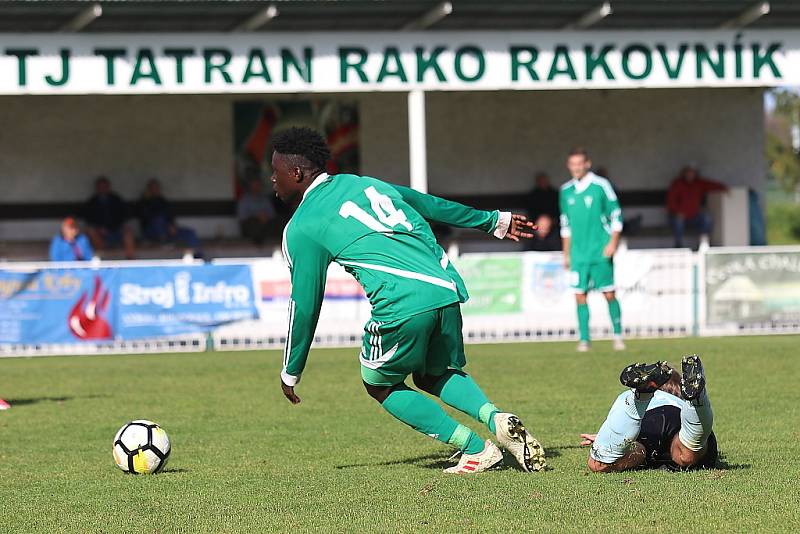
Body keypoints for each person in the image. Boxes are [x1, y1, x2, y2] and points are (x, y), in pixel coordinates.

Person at [274, 127, 545, 474]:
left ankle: (476, 449)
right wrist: (492, 221)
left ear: (296, 173)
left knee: (380, 382)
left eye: (276, 171)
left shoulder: (301, 227)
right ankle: (495, 418)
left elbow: (305, 305)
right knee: (436, 374)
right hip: (445, 288)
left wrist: (291, 370)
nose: (272, 179)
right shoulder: (364, 183)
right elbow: (428, 203)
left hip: (402, 302)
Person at [580, 355, 718, 472]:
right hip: (680, 417)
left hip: (649, 418)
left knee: (604, 462)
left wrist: (606, 439)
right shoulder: (677, 401)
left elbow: (625, 431)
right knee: (686, 455)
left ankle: (640, 396)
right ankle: (698, 403)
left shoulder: (656, 399)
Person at [560, 148, 624, 352]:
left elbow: (616, 214)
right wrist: (566, 253)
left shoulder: (601, 185)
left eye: (580, 163)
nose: (576, 168)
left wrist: (613, 242)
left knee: (609, 293)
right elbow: (565, 224)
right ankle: (584, 339)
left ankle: (617, 335)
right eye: (573, 164)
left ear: (587, 164)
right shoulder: (565, 191)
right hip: (578, 253)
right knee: (579, 295)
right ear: (569, 166)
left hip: (599, 250)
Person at [666, 165, 727, 248]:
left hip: (694, 217)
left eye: (692, 173)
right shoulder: (677, 184)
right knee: (678, 221)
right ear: (684, 173)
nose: (690, 175)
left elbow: (711, 185)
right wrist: (677, 212)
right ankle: (678, 245)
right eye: (688, 173)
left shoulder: (699, 183)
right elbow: (671, 201)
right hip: (678, 216)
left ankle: (703, 243)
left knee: (707, 218)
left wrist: (724, 187)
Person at [137, 179, 202, 256]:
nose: (155, 190)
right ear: (148, 189)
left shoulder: (163, 201)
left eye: (157, 188)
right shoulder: (144, 202)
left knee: (190, 233)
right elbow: (148, 218)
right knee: (158, 221)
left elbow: (170, 216)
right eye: (153, 188)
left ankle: (198, 256)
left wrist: (172, 225)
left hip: (167, 230)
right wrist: (148, 199)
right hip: (151, 233)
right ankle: (165, 242)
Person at [83, 176, 135, 259]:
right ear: (97, 188)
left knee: (128, 232)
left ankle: (130, 259)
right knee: (90, 231)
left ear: (108, 187)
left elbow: (123, 216)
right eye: (100, 187)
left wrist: (114, 227)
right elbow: (89, 219)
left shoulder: (116, 200)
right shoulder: (92, 202)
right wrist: (100, 228)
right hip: (99, 233)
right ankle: (102, 257)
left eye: (104, 186)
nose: (102, 189)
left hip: (116, 230)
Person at [237, 179, 277, 245]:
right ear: (250, 187)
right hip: (251, 225)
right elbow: (242, 218)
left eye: (258, 185)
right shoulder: (244, 200)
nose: (256, 187)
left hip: (266, 224)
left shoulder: (265, 199)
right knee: (253, 225)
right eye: (254, 185)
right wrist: (257, 217)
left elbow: (272, 214)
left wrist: (265, 217)